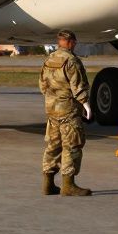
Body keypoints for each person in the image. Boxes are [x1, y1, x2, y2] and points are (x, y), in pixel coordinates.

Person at [39, 29, 92, 196]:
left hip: (51, 108)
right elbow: (78, 86)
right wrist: (86, 105)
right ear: (70, 42)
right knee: (72, 145)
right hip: (68, 109)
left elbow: (42, 85)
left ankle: (48, 184)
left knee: (53, 145)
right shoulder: (72, 61)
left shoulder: (49, 59)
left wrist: (52, 99)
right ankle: (68, 185)